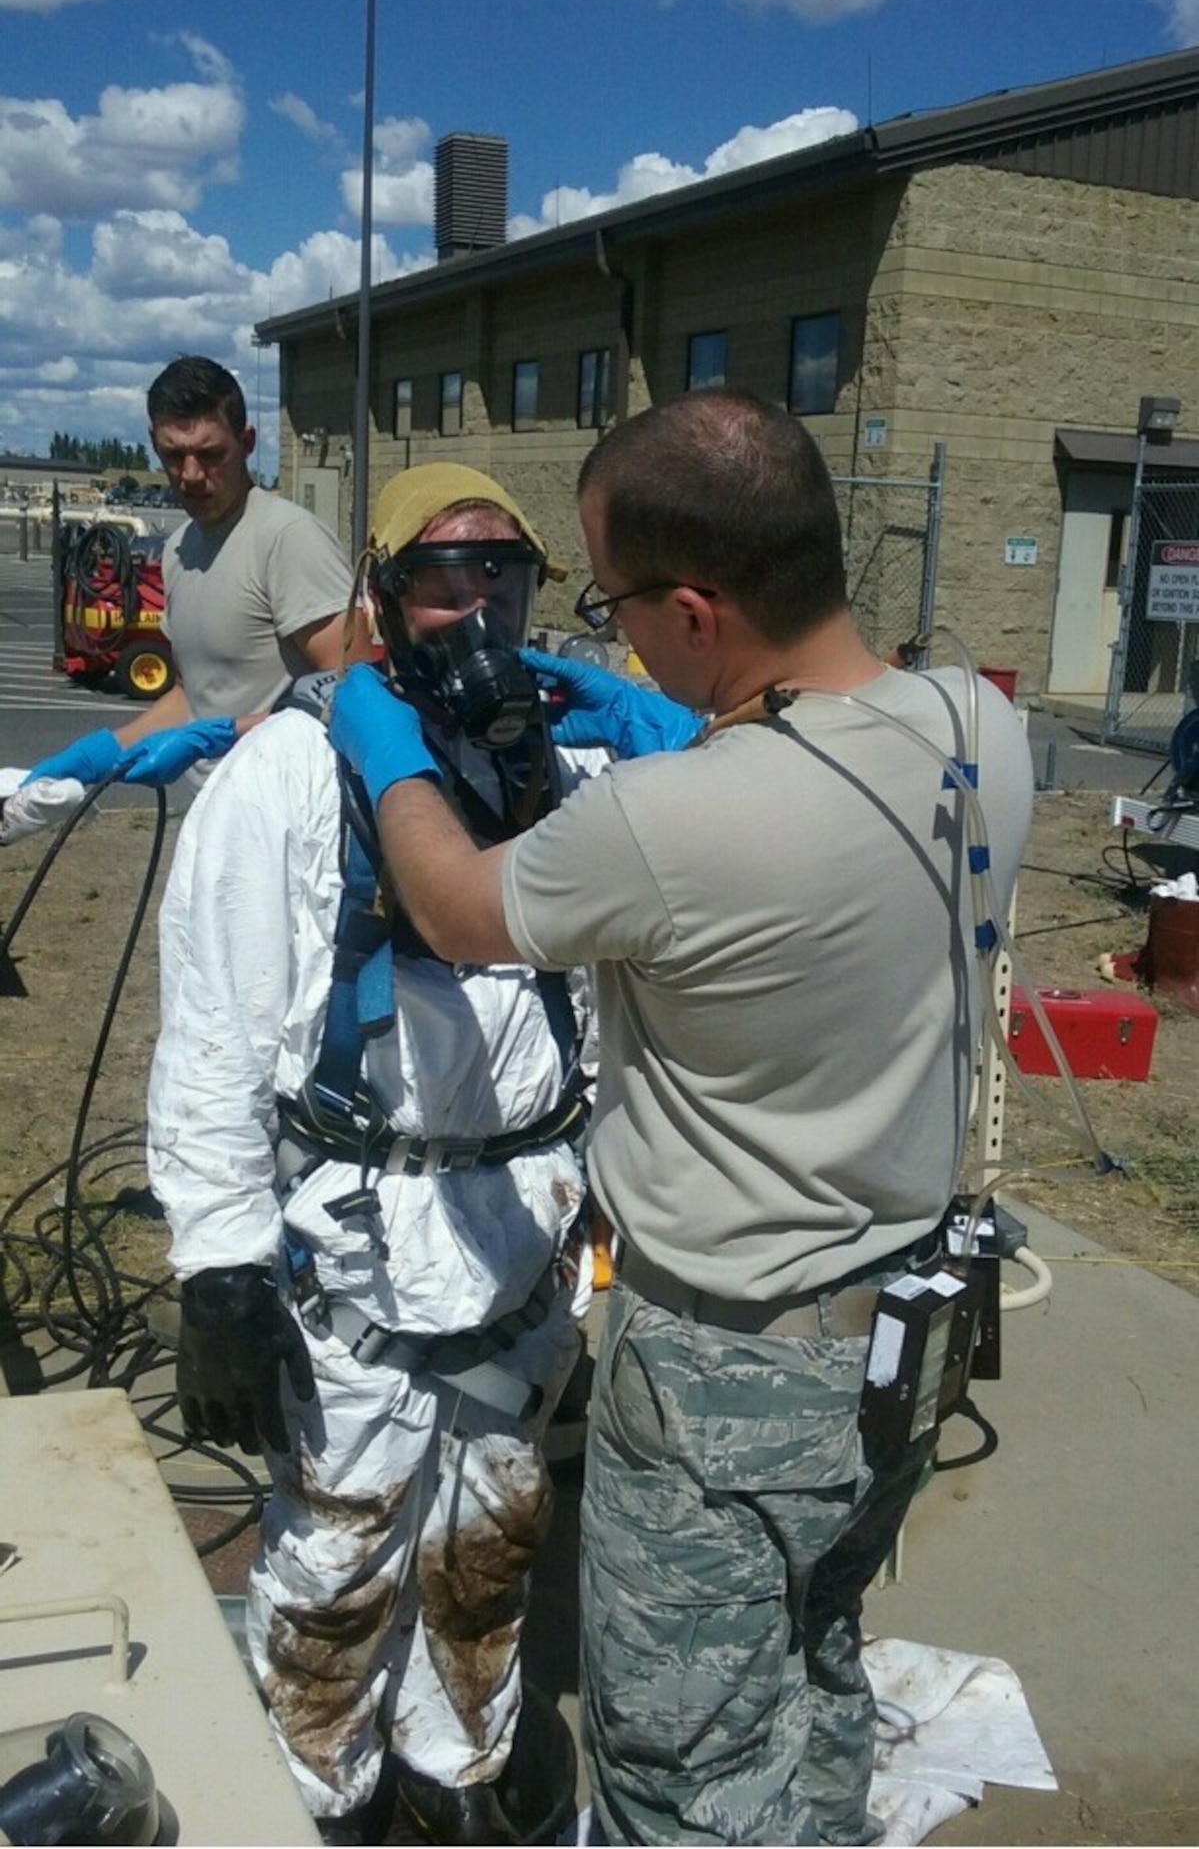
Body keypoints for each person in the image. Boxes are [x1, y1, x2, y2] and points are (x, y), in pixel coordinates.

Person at [327, 389, 1036, 1845]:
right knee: (814, 1662)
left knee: (680, 1768)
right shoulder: (978, 726)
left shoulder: (665, 823)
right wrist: (668, 715)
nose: (606, 635)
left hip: (728, 1369)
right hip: (905, 1332)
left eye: (617, 601)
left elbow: (458, 906)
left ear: (697, 609)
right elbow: (811, 763)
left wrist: (376, 731)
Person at [146, 462, 596, 1846]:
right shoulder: (292, 771)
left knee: (489, 1539)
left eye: (501, 571)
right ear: (381, 599)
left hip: (523, 1229)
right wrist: (217, 1264)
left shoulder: (571, 766)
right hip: (356, 1243)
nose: (475, 603)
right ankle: (321, 1793)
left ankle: (453, 1763)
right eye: (439, 575)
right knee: (342, 1550)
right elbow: (212, 1030)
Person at [1, 356, 372, 838]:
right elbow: (191, 696)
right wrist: (98, 757)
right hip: (215, 820)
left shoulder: (286, 539)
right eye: (173, 456)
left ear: (247, 444)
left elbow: (358, 695)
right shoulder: (180, 551)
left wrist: (220, 736)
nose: (191, 474)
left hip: (291, 827)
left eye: (210, 454)